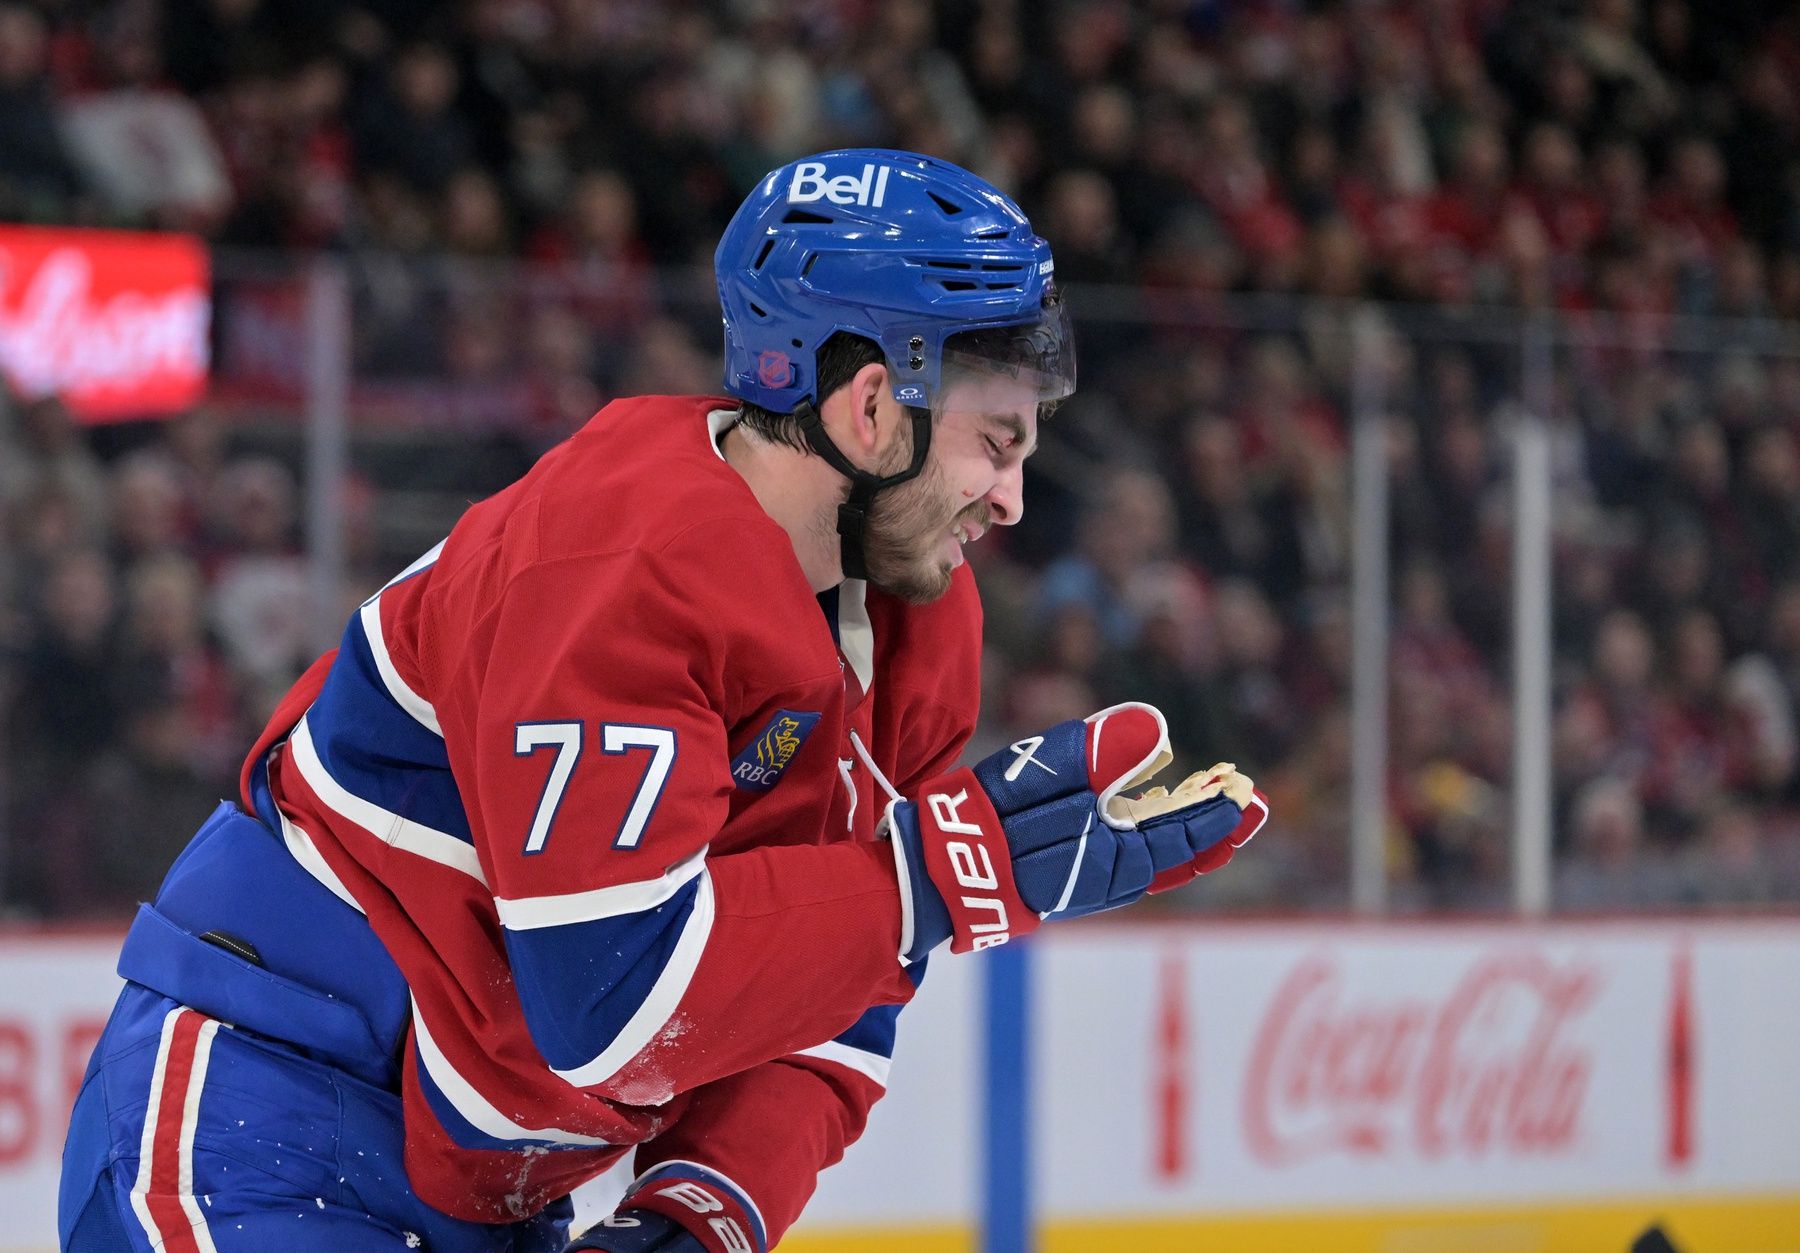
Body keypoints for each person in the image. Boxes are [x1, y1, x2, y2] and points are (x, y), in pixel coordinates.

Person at [59, 149, 1267, 1253]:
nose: (1009, 499)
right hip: (261, 1111)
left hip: (488, 1178)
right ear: (868, 407)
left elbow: (845, 984)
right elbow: (611, 992)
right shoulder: (618, 558)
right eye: (996, 441)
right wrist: (934, 877)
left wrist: (707, 1200)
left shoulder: (918, 622)